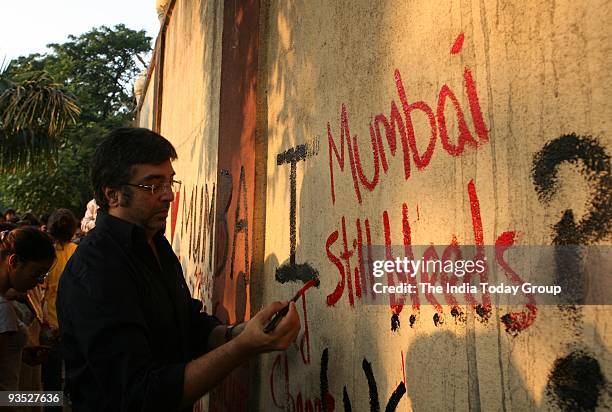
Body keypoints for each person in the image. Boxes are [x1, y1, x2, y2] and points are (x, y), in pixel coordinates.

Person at [57, 128, 300, 411]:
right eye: (152, 185)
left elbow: (189, 326)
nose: (168, 196)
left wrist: (242, 331)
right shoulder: (95, 272)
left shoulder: (155, 244)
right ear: (112, 195)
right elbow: (141, 396)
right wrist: (244, 346)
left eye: (170, 183)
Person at [0, 228, 55, 395]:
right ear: (14, 262)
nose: (40, 282)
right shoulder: (3, 309)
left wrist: (19, 353)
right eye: (37, 274)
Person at [41, 208, 78, 407]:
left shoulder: (46, 255)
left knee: (51, 378)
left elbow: (40, 293)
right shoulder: (77, 252)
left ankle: (53, 407)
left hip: (49, 325)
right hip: (73, 324)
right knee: (73, 370)